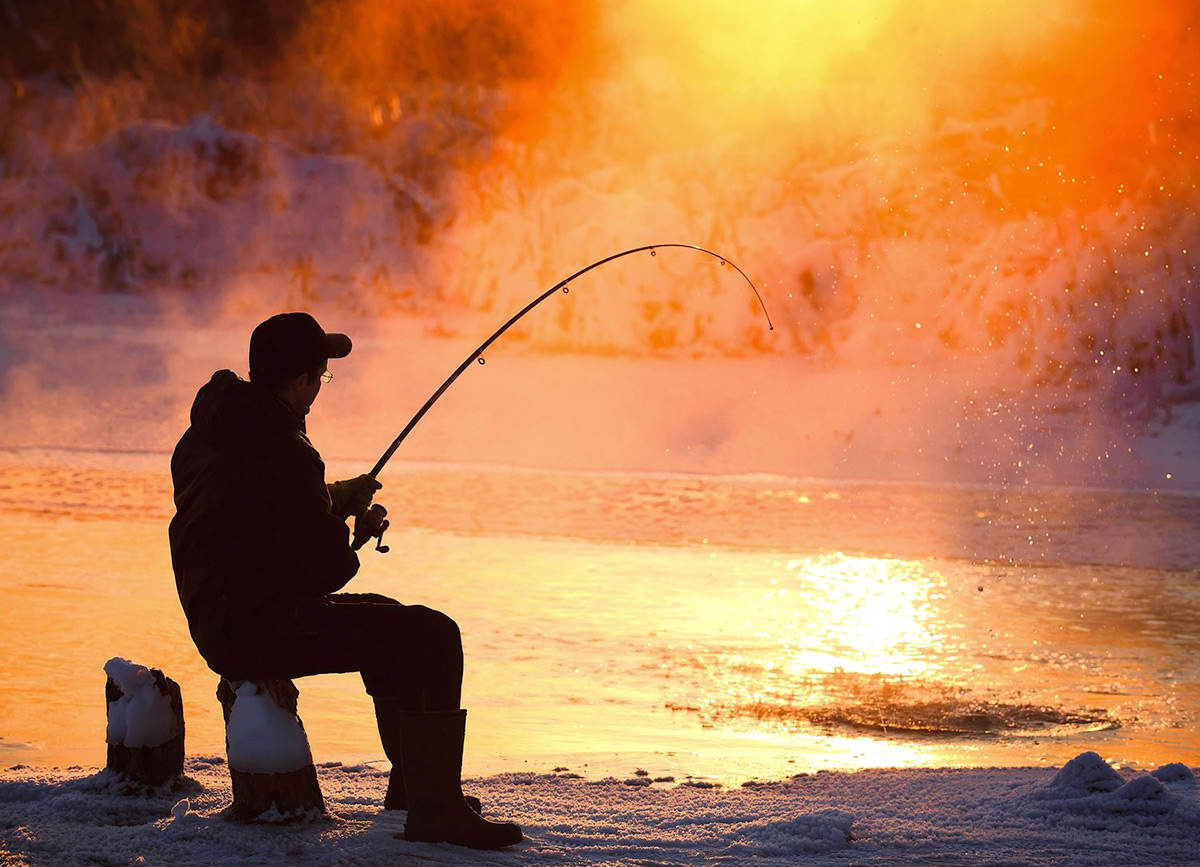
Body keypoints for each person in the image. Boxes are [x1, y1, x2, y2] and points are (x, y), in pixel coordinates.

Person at [168, 312, 522, 849]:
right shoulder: (283, 447)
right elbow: (327, 569)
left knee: (390, 616)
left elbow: (254, 512)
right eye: (321, 377)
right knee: (433, 635)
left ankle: (416, 792)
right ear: (299, 381)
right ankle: (434, 809)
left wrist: (331, 498)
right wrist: (352, 526)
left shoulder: (211, 431)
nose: (320, 389)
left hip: (222, 613)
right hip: (256, 626)